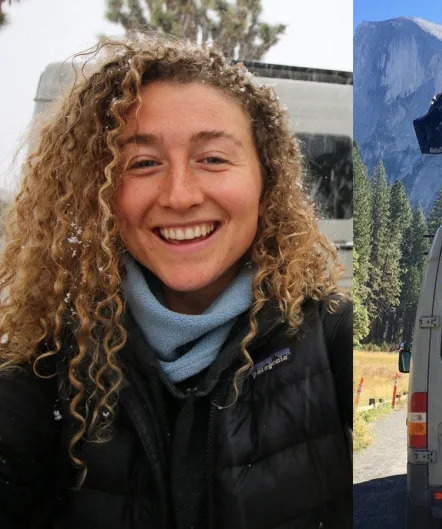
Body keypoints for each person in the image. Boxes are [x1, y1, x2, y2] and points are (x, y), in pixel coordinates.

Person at [0, 35, 351, 529]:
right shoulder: (50, 362)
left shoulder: (332, 340)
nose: (180, 195)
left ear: (266, 180)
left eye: (212, 158)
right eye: (143, 163)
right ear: (103, 192)